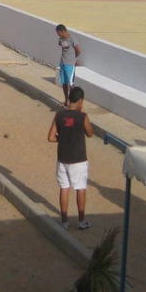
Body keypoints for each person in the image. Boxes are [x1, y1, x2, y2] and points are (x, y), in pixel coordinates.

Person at [47, 85, 94, 230]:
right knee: (80, 188)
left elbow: (50, 137)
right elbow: (90, 133)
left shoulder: (59, 115)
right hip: (78, 159)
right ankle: (81, 221)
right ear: (80, 101)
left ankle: (64, 222)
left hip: (63, 159)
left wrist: (62, 138)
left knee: (64, 188)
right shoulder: (82, 117)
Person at [55, 24, 81, 107]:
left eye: (58, 33)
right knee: (64, 83)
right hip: (62, 63)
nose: (58, 35)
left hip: (70, 64)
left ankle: (73, 103)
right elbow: (63, 49)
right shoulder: (61, 39)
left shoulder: (72, 39)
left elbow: (78, 51)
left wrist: (74, 60)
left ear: (62, 31)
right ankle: (66, 101)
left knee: (71, 84)